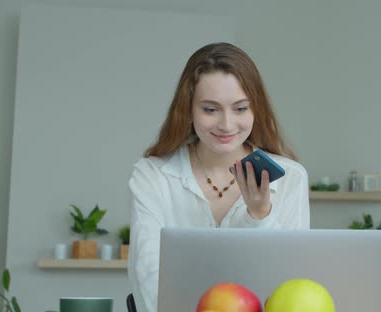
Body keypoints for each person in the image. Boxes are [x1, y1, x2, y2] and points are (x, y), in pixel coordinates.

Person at [127, 42, 310, 312]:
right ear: (188, 110)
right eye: (210, 110)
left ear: (255, 109)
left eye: (240, 109)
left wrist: (261, 215)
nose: (226, 125)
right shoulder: (152, 176)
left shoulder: (290, 177)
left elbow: (290, 287)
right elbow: (149, 276)